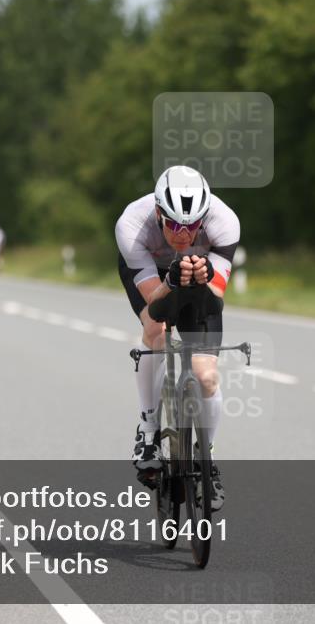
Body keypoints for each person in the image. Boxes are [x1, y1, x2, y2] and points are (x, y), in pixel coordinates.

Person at [115, 165, 240, 511]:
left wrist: (207, 274)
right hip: (153, 277)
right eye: (172, 224)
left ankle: (206, 458)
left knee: (206, 375)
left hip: (201, 277)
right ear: (158, 212)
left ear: (205, 217)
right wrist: (170, 282)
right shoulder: (131, 225)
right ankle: (149, 427)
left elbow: (213, 299)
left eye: (191, 226)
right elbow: (156, 305)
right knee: (156, 332)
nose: (182, 235)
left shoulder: (224, 222)